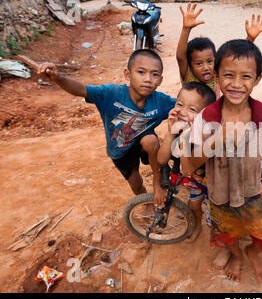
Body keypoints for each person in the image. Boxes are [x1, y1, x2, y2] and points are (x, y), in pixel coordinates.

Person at [180, 39, 262, 282]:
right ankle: (236, 256)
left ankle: (251, 250)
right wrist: (215, 141)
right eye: (228, 75)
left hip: (252, 191)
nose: (237, 84)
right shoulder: (207, 117)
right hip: (219, 194)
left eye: (246, 77)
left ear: (257, 79)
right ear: (217, 77)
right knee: (226, 235)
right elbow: (187, 167)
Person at [37, 49, 176, 207]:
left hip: (143, 143)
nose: (148, 79)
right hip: (120, 150)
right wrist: (58, 77)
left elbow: (185, 104)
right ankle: (146, 203)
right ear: (127, 74)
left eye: (154, 74)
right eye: (141, 72)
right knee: (136, 183)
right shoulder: (111, 94)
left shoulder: (161, 102)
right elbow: (81, 89)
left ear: (160, 80)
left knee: (151, 140)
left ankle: (157, 183)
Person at [157, 81, 216, 243]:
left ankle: (221, 242)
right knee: (194, 206)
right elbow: (161, 159)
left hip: (215, 185)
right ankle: (197, 226)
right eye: (180, 104)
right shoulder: (178, 128)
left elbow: (187, 170)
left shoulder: (206, 137)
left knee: (216, 219)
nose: (182, 112)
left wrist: (183, 139)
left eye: (192, 109)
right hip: (197, 181)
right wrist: (171, 132)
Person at [176, 2, 262, 98]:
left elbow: (236, 59)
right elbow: (180, 57)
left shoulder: (216, 74)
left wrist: (250, 39)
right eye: (199, 63)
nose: (206, 67)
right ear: (190, 66)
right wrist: (186, 29)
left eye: (210, 61)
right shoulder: (188, 75)